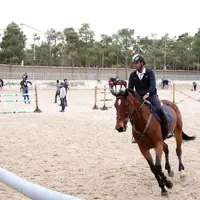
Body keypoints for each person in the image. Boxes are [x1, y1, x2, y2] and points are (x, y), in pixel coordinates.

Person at [128, 54, 172, 143]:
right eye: (134, 63)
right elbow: (130, 88)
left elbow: (153, 85)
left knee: (159, 108)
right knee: (132, 113)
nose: (134, 65)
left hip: (151, 95)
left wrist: (148, 94)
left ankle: (166, 130)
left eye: (136, 63)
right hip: (139, 98)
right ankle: (135, 134)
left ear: (142, 63)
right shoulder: (132, 75)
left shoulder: (149, 72)